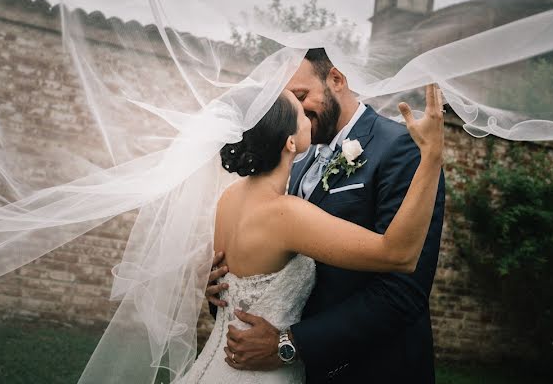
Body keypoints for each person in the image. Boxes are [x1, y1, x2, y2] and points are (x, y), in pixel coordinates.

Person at [182, 54, 444, 383]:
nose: (299, 111)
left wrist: (291, 344)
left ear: (336, 80)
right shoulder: (293, 166)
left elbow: (403, 288)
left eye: (301, 96)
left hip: (368, 370)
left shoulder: (402, 147)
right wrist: (225, 285)